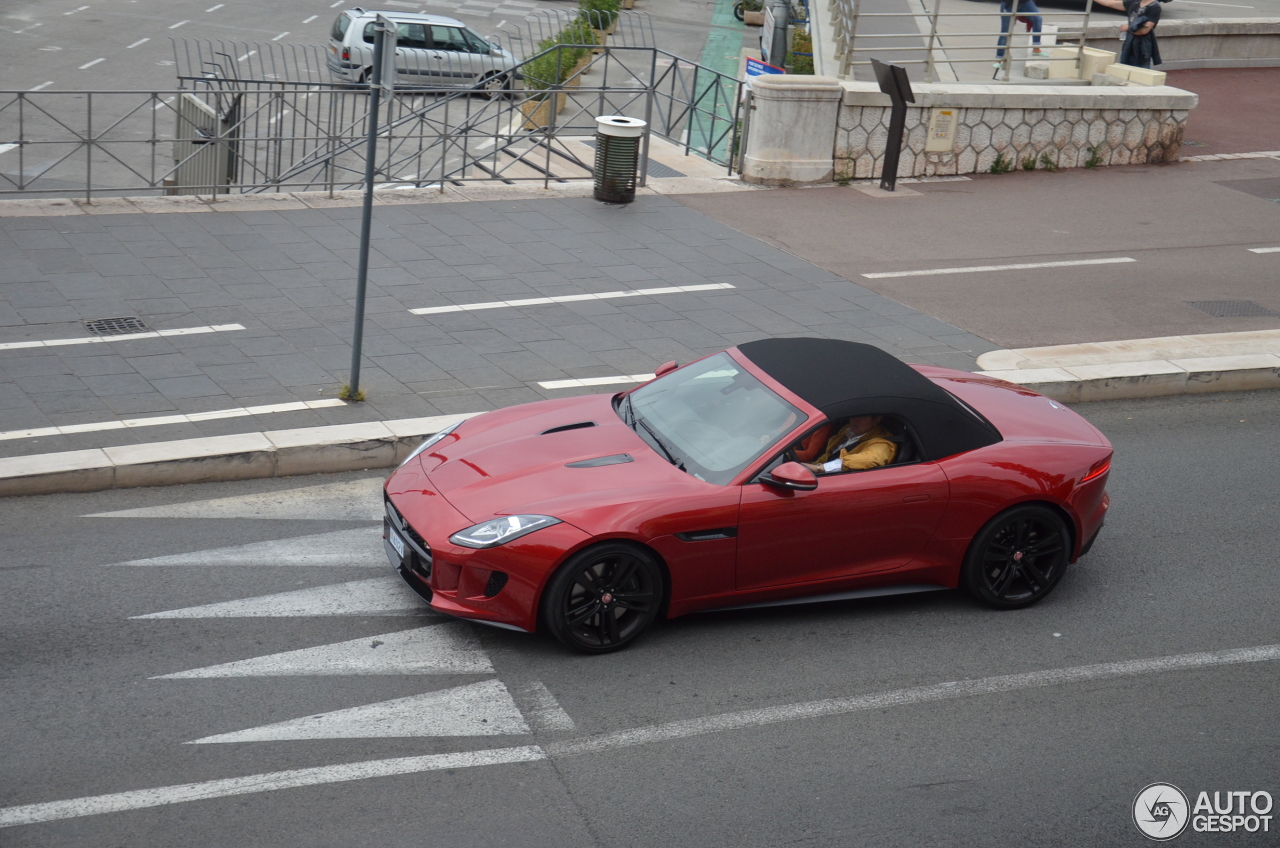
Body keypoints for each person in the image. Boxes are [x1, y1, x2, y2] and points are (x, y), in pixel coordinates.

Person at [800, 415, 897, 475]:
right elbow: (829, 455)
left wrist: (819, 469)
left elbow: (868, 459)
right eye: (854, 415)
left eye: (862, 417)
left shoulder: (882, 444)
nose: (854, 420)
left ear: (876, 420)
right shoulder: (847, 430)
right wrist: (812, 466)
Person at [1093, 0, 1163, 69]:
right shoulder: (1134, 2)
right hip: (1129, 43)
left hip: (1142, 47)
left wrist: (1128, 28)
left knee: (1140, 72)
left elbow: (1145, 30)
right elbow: (1110, 3)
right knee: (1124, 68)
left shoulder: (1155, 7)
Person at [994, 0, 1050, 68]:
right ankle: (999, 59)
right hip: (1008, 3)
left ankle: (1036, 48)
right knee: (1005, 31)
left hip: (1024, 2)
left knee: (1038, 18)